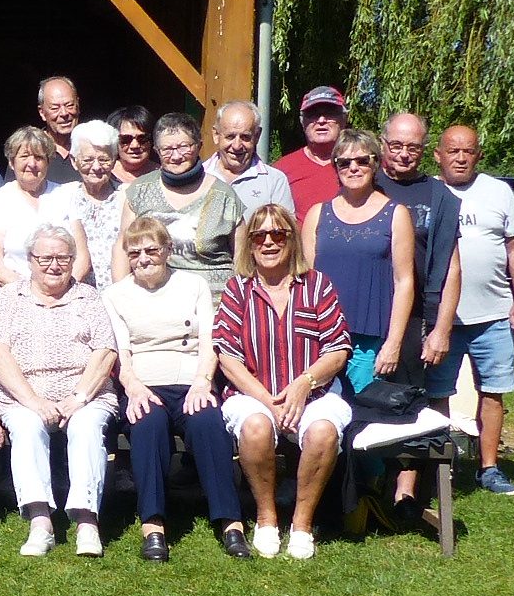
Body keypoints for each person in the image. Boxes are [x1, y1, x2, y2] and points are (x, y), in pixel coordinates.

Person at [214, 202, 351, 560]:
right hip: (253, 393)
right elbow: (226, 357)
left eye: (279, 234)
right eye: (260, 236)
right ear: (250, 244)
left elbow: (338, 349)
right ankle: (267, 517)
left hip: (314, 392)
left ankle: (302, 525)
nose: (269, 242)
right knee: (256, 426)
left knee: (323, 430)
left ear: (292, 240)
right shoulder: (237, 290)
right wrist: (267, 399)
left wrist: (304, 383)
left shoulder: (317, 285)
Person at [107, 219, 248, 559]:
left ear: (168, 250)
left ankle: (231, 523)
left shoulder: (193, 284)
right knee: (148, 425)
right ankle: (153, 525)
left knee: (207, 423)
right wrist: (134, 388)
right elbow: (121, 354)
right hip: (144, 384)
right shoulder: (115, 295)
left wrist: (202, 382)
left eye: (152, 250)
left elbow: (208, 341)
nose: (144, 258)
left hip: (190, 379)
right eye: (135, 252)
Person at [0, 225, 119, 556]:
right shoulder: (8, 298)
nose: (54, 265)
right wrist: (33, 400)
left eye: (63, 257)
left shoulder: (88, 297)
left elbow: (106, 352)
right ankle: (40, 521)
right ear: (30, 260)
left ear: (74, 261)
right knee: (29, 428)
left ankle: (87, 522)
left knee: (87, 427)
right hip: (23, 395)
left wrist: (79, 398)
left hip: (85, 394)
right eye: (45, 258)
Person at [435, 123, 514, 497]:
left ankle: (489, 468)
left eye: (468, 151)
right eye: (453, 151)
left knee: (492, 392)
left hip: (493, 313)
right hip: (443, 317)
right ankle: (439, 468)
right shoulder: (430, 193)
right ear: (438, 155)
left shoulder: (498, 192)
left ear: (478, 155)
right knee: (437, 394)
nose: (461, 157)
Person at [377, 110, 464, 521]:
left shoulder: (440, 197)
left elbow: (452, 269)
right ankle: (359, 486)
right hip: (363, 310)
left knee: (409, 401)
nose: (403, 154)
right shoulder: (364, 180)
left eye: (412, 147)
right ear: (382, 144)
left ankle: (405, 494)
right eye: (396, 145)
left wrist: (442, 329)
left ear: (425, 151)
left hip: (416, 317)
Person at [303, 128, 418, 411]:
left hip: (367, 341)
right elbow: (304, 280)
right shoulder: (318, 214)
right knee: (319, 416)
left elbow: (404, 282)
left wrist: (393, 342)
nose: (353, 167)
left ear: (375, 163)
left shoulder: (396, 214)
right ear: (335, 167)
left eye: (362, 160)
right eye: (344, 162)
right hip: (320, 338)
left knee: (362, 417)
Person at [125, 110, 246, 289]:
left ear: (198, 146)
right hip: (156, 298)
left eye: (184, 147)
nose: (176, 156)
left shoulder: (225, 196)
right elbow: (123, 247)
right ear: (157, 151)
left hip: (216, 300)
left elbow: (242, 259)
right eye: (167, 149)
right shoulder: (139, 191)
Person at [0, 126, 75, 294]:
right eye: (24, 156)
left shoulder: (66, 195)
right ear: (11, 162)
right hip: (15, 294)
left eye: (39, 157)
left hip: (64, 295)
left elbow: (82, 257)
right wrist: (33, 293)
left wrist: (62, 291)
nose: (32, 164)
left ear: (48, 161)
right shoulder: (0, 199)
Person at [45, 118, 126, 283]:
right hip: (73, 296)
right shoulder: (62, 196)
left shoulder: (126, 196)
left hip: (118, 294)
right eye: (88, 160)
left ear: (114, 161)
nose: (96, 167)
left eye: (103, 159)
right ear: (74, 162)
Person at [272, 85, 350, 220]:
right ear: (302, 122)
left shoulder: (360, 165)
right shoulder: (281, 170)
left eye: (329, 113)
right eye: (313, 114)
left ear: (343, 120)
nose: (321, 121)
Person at [206, 100, 296, 215]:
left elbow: (285, 229)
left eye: (245, 137)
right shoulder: (199, 177)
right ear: (216, 135)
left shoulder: (274, 181)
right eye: (230, 136)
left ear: (257, 136)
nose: (237, 146)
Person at [36, 75, 83, 182]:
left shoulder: (93, 146)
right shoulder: (30, 150)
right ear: (42, 112)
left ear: (78, 106)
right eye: (55, 108)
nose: (64, 113)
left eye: (69, 105)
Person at [108, 105, 157, 182]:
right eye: (126, 139)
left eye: (142, 138)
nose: (135, 145)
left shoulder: (162, 176)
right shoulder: (104, 174)